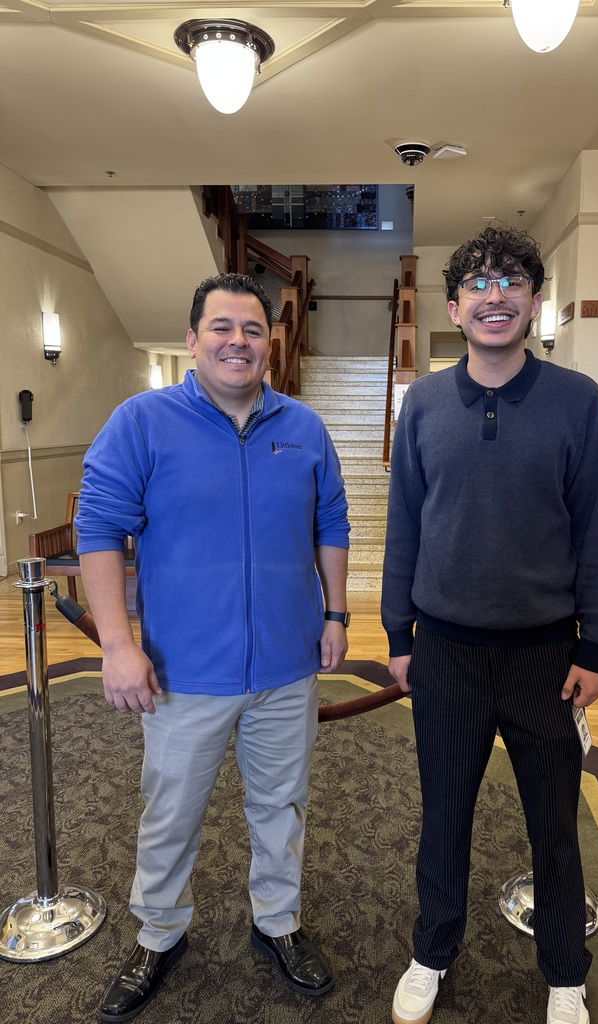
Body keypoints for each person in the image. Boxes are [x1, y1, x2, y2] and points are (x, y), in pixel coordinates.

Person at [75, 273, 351, 1021]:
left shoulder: (305, 428)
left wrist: (338, 616)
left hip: (287, 666)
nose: (238, 342)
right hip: (181, 672)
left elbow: (332, 524)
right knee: (171, 811)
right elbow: (98, 530)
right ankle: (160, 933)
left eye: (253, 329)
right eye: (222, 328)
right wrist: (115, 644)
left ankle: (279, 924)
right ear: (193, 339)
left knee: (280, 807)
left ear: (271, 343)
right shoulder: (141, 422)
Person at [381, 225, 598, 1024]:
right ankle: (431, 951)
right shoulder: (421, 403)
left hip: (546, 658)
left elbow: (593, 528)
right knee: (443, 815)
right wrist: (395, 634)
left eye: (512, 280)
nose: (495, 294)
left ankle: (564, 972)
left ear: (534, 302)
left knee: (554, 824)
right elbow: (405, 526)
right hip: (446, 652)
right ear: (454, 307)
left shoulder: (576, 400)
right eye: (478, 283)